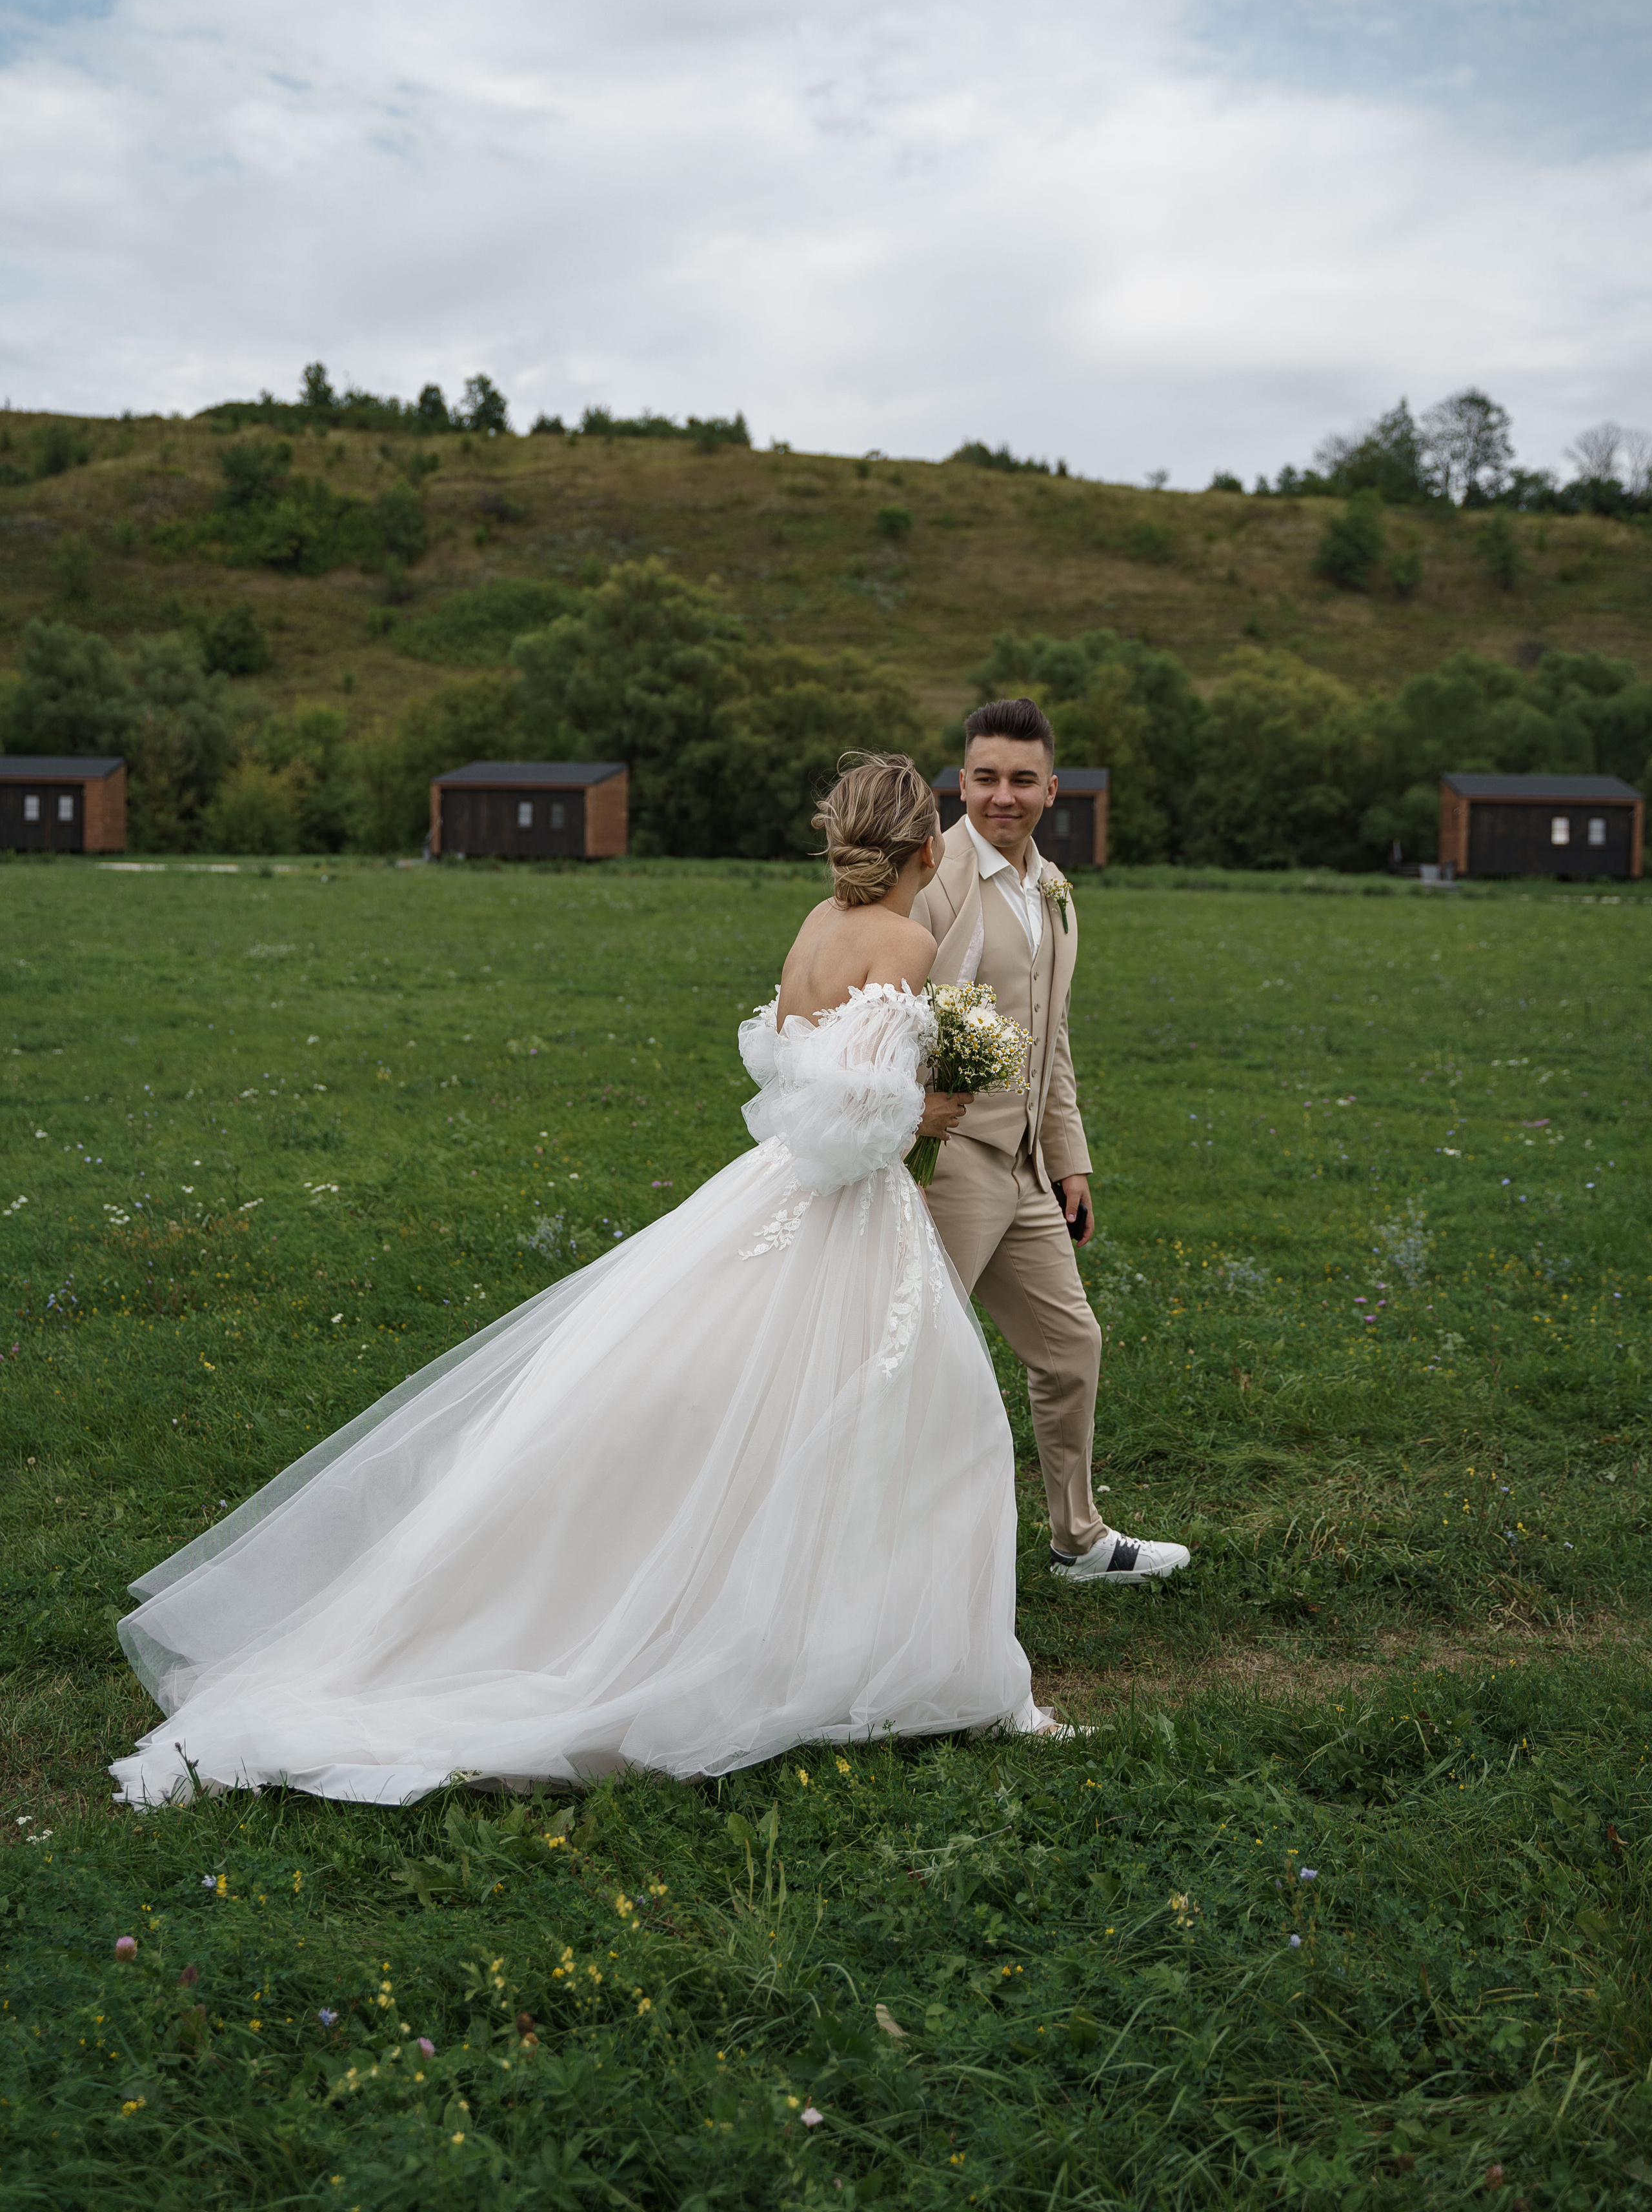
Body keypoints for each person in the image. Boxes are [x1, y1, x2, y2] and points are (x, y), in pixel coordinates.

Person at [110, 754, 1055, 1809]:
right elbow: (847, 1121)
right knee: (916, 1416)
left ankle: (828, 1620)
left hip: (770, 1193)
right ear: (926, 849)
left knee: (773, 1411)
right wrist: (920, 1117)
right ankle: (846, 1648)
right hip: (840, 1212)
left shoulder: (813, 926)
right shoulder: (907, 938)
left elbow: (789, 1070)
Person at [912, 698, 1190, 1584]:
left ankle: (1077, 1538)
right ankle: (878, 1552)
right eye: (986, 777)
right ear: (961, 783)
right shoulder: (932, 878)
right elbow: (885, 1016)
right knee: (911, 1361)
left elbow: (1050, 1036)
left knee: (1072, 1347)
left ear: (1052, 788)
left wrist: (1068, 1158)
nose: (1004, 795)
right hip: (945, 1164)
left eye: (1022, 779)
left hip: (1026, 1167)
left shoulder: (1054, 888)